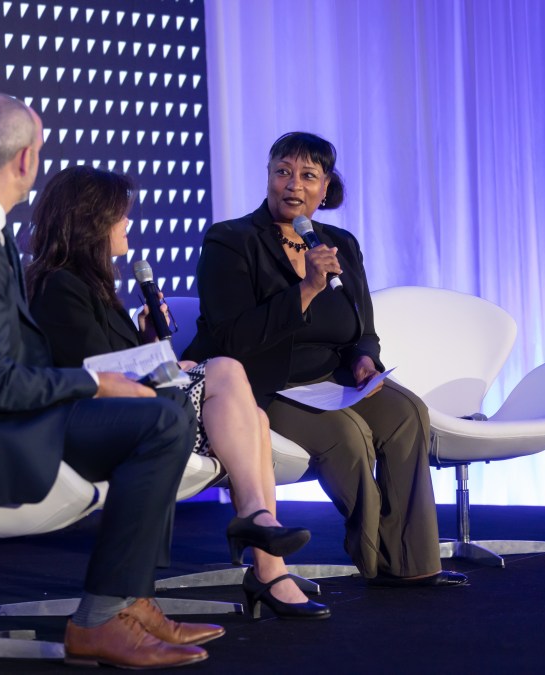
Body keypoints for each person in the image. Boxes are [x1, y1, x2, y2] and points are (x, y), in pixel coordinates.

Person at [0, 93, 223, 669]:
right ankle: (102, 617)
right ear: (26, 160)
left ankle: (132, 601)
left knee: (162, 412)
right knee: (158, 420)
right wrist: (94, 384)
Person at [25, 165, 329, 619]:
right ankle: (257, 526)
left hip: (142, 409)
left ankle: (270, 565)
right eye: (119, 216)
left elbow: (119, 362)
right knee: (224, 369)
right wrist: (168, 365)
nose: (127, 224)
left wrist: (149, 342)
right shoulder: (59, 286)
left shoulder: (94, 285)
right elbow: (95, 374)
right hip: (103, 423)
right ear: (91, 221)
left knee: (258, 420)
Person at [183, 131, 466, 588]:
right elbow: (231, 338)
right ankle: (377, 560)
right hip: (264, 382)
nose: (293, 185)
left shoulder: (340, 244)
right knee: (349, 437)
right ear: (269, 176)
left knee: (408, 413)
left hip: (334, 379)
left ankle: (414, 563)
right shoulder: (231, 241)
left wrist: (364, 361)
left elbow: (363, 329)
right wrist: (307, 289)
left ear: (325, 184)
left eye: (307, 175)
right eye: (283, 172)